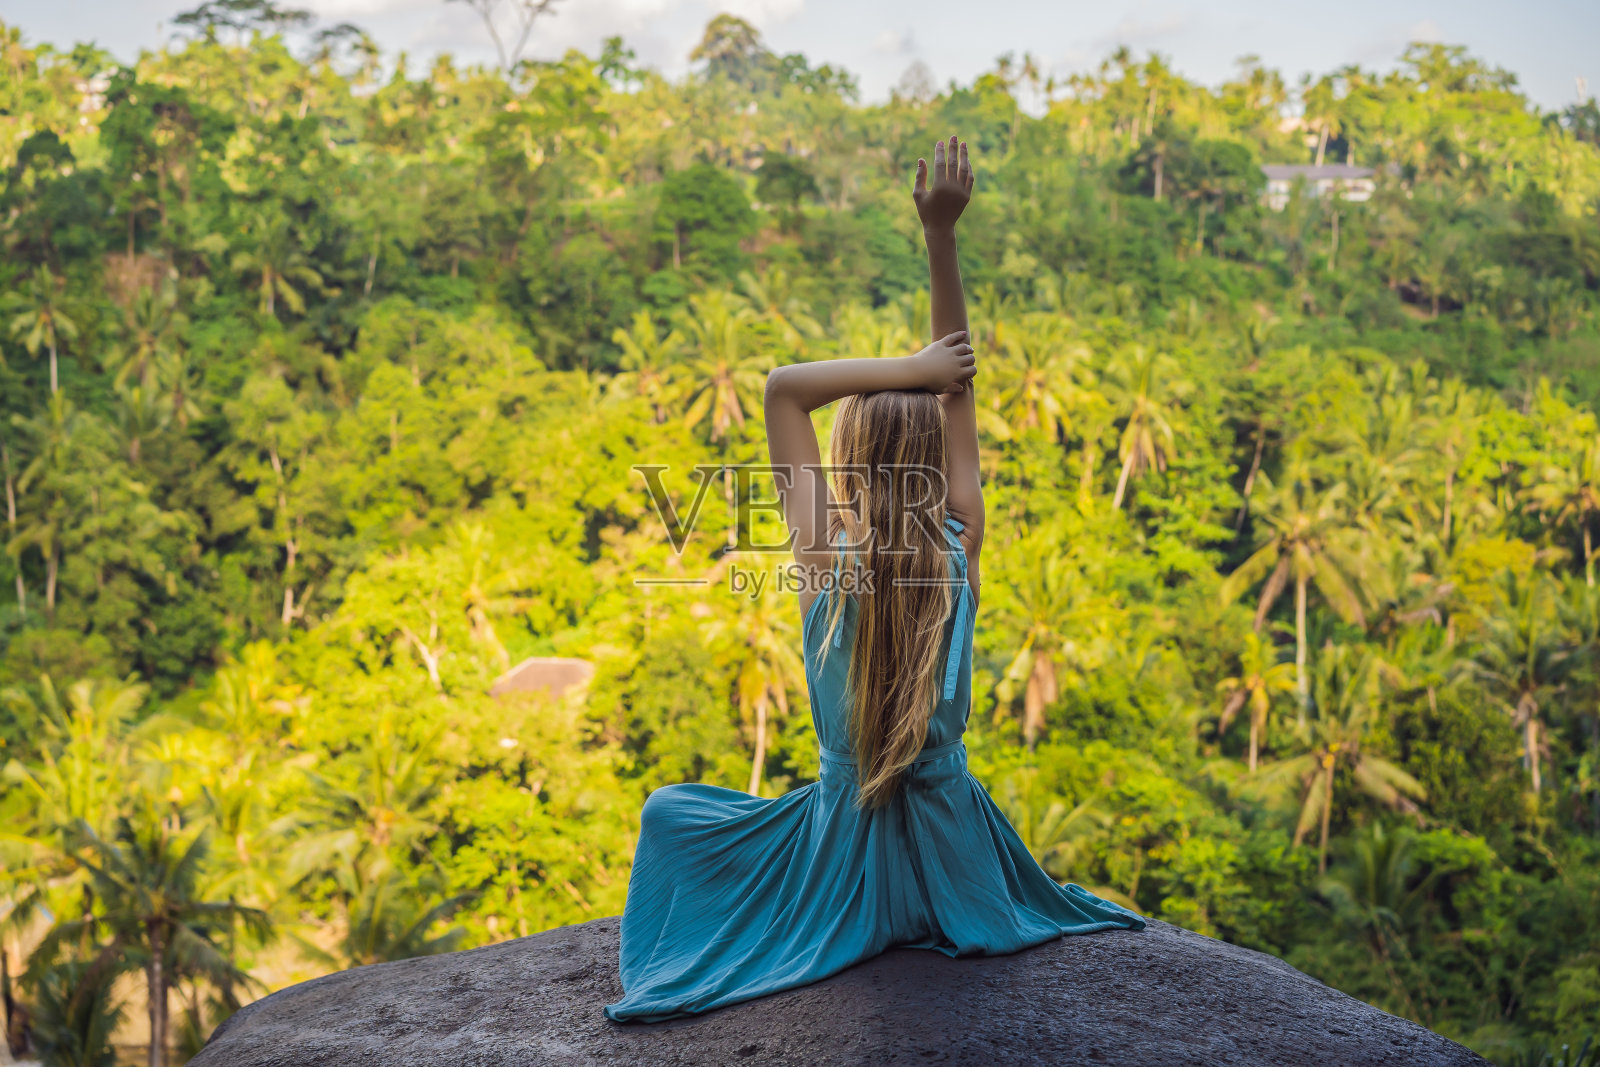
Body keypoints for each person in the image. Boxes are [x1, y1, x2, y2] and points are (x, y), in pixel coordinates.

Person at [603, 135, 1144, 1025]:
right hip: (956, 871)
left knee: (671, 812)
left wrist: (909, 373)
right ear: (933, 462)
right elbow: (959, 396)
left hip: (839, 866)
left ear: (846, 466)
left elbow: (783, 390)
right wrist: (942, 241)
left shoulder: (823, 557)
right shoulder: (956, 545)